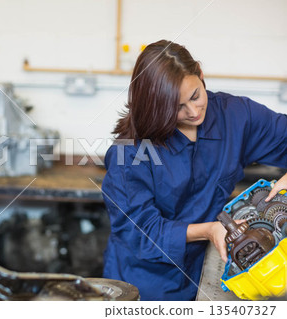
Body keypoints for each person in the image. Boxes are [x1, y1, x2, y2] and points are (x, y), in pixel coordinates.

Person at [101, 40, 287, 301]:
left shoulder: (235, 116)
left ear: (200, 74)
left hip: (207, 269)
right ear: (155, 105)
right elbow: (141, 231)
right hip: (144, 282)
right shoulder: (129, 152)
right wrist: (209, 230)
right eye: (176, 107)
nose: (193, 111)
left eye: (195, 96)